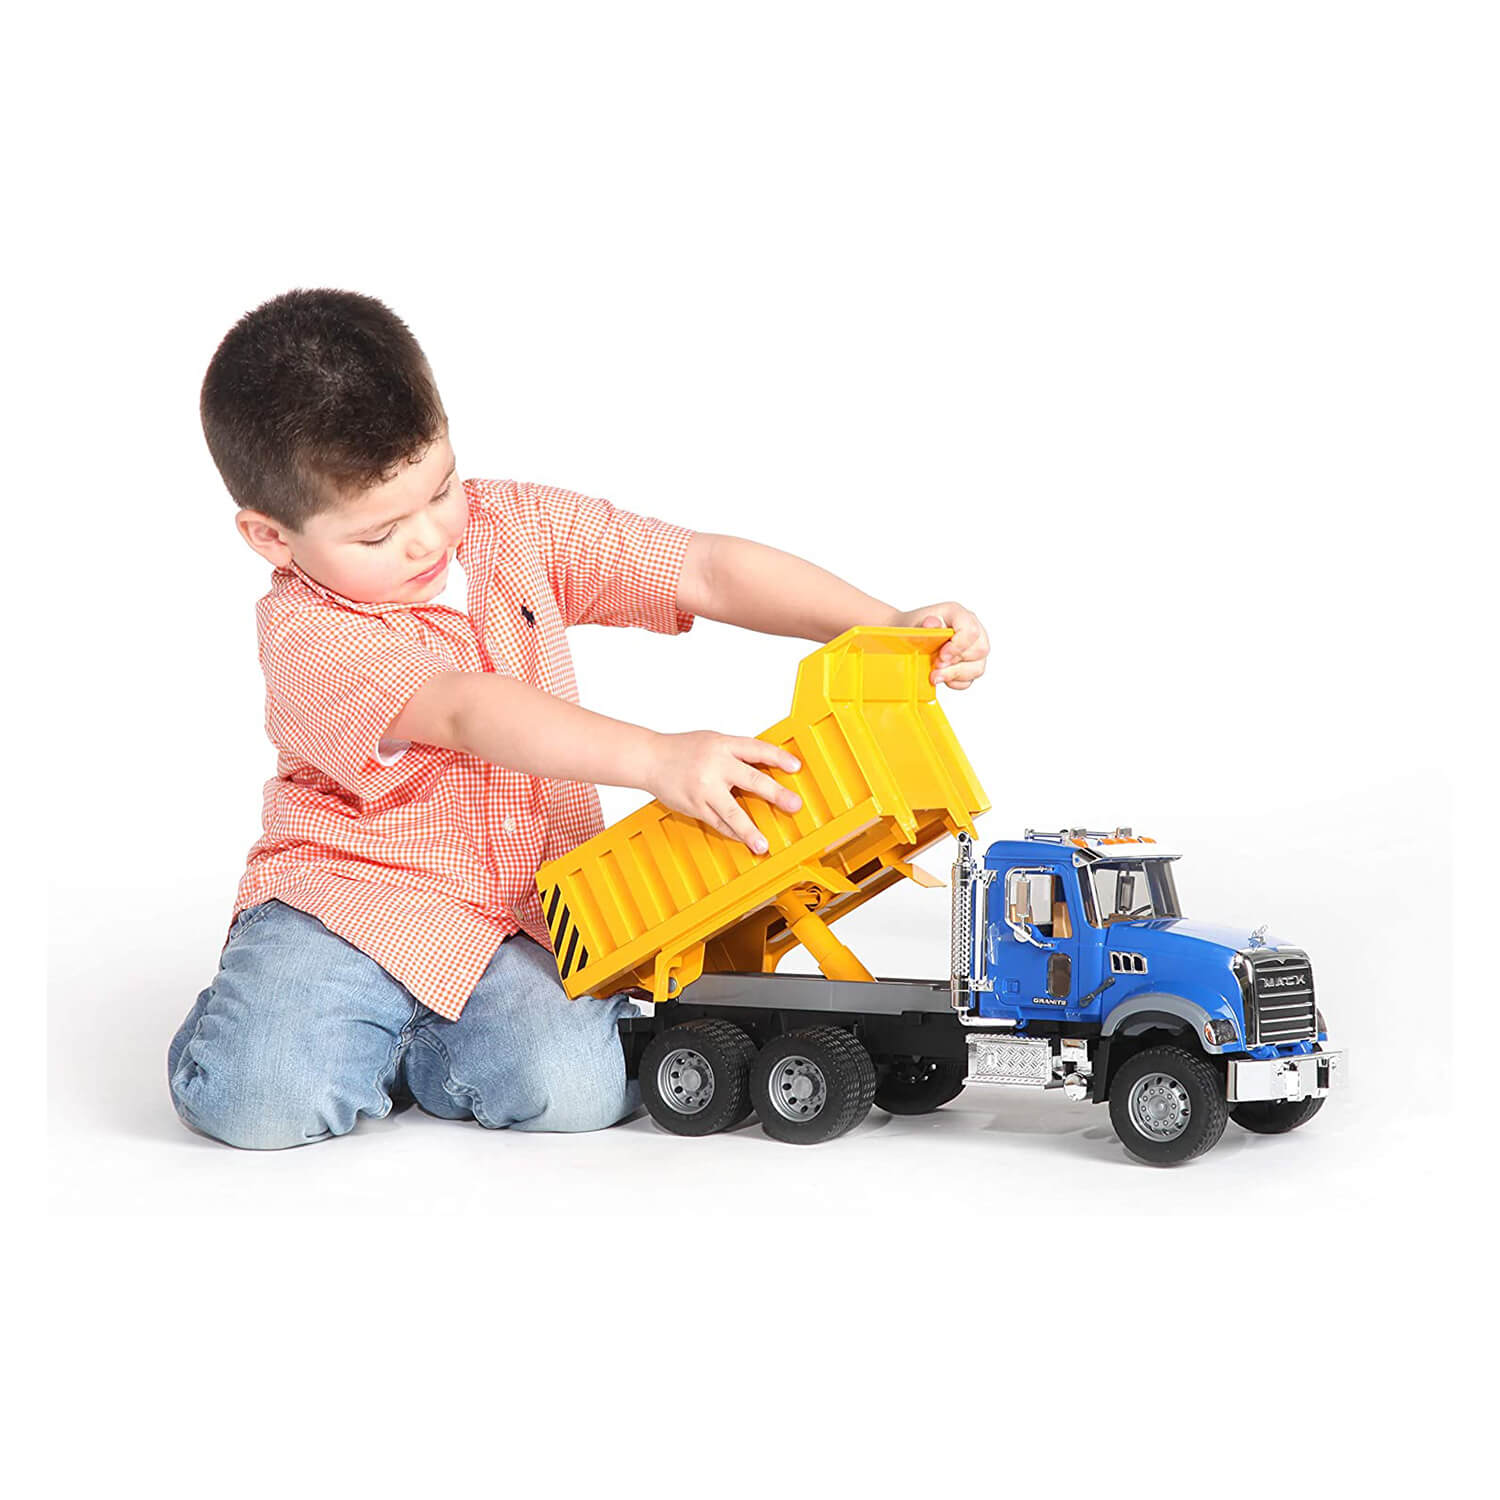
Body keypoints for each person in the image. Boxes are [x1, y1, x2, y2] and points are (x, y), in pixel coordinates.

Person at [167, 287, 990, 1150]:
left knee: (580, 1094)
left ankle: (400, 1052)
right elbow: (465, 708)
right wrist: (659, 760)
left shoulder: (512, 525)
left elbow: (700, 568)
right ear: (271, 538)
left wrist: (883, 622)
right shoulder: (307, 631)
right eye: (376, 536)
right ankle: (264, 1016)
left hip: (514, 918)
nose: (427, 540)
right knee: (262, 1103)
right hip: (345, 907)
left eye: (440, 488)